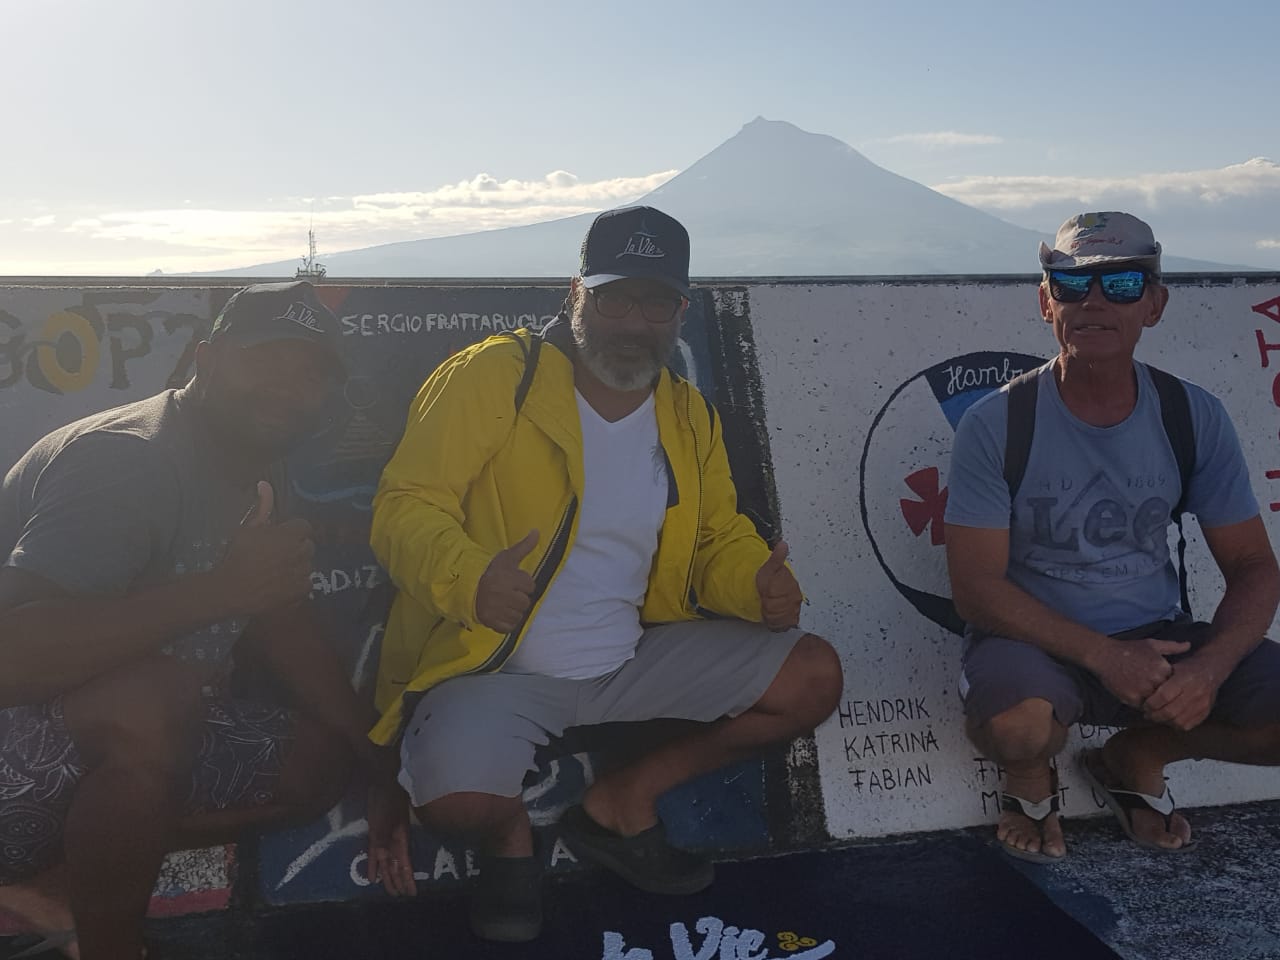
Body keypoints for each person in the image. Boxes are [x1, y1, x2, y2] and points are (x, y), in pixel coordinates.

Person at [364, 205, 843, 941]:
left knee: (812, 676)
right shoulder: (496, 375)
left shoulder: (686, 412)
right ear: (576, 293)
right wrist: (469, 578)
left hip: (630, 659)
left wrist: (755, 584)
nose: (634, 322)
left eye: (657, 303)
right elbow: (405, 506)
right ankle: (509, 839)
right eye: (615, 298)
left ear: (681, 311)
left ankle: (623, 803)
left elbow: (716, 538)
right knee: (455, 805)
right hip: (493, 668)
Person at [0, 281, 409, 960]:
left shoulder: (253, 459)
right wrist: (219, 592)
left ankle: (60, 890)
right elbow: (11, 659)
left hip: (108, 748)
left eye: (310, 373)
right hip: (14, 750)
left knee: (314, 759)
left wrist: (385, 763)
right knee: (150, 700)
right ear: (206, 358)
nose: (287, 388)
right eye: (266, 360)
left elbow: (277, 619)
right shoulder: (127, 460)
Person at [945, 212, 1280, 864]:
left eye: (1122, 284)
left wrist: (1208, 670)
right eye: (1071, 285)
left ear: (1155, 304)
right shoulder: (996, 422)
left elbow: (1253, 566)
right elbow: (976, 590)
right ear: (1046, 303)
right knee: (1016, 728)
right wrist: (1104, 656)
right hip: (1034, 642)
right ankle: (1028, 780)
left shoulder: (1193, 415)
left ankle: (1136, 757)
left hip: (1158, 638)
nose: (1093, 301)